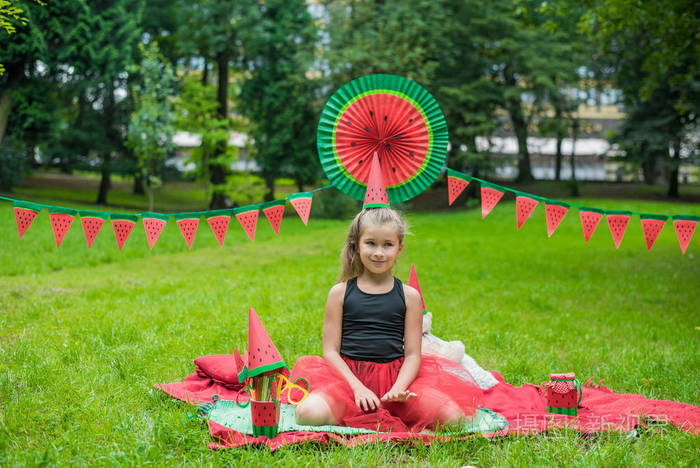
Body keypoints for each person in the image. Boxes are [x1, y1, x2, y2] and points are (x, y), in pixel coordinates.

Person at [292, 208, 484, 432]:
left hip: (397, 378)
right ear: (356, 245)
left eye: (387, 245)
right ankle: (352, 410)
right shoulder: (339, 293)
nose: (379, 253)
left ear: (399, 248)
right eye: (371, 243)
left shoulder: (409, 296)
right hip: (349, 379)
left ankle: (390, 409)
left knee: (455, 420)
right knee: (306, 413)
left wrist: (398, 389)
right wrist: (358, 388)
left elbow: (413, 354)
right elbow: (330, 352)